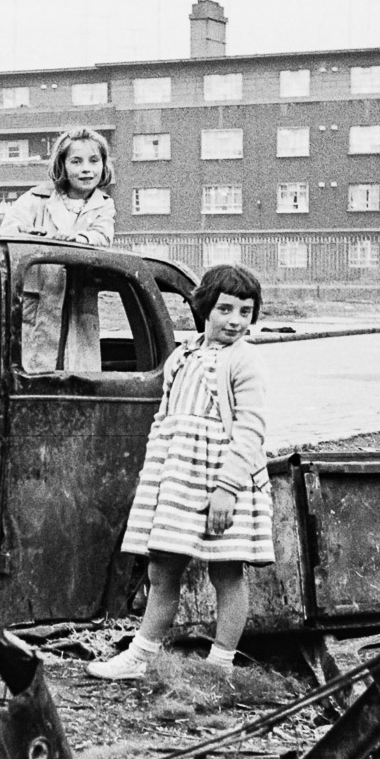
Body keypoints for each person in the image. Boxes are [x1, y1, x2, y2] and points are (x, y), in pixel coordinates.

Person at [89, 264, 271, 679]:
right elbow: (164, 418)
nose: (235, 320)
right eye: (225, 309)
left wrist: (227, 487)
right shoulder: (182, 357)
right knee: (162, 565)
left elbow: (251, 430)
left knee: (226, 569)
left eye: (245, 312)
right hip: (179, 476)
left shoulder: (244, 361)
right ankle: (141, 655)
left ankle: (220, 664)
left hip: (223, 478)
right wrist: (154, 476)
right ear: (204, 307)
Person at [2, 126, 115, 372]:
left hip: (77, 303)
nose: (86, 168)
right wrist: (26, 235)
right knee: (34, 368)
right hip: (38, 301)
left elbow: (103, 235)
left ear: (104, 165)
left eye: (94, 160)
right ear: (62, 165)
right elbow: (8, 231)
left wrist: (79, 240)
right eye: (76, 161)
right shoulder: (37, 199)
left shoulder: (103, 205)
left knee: (77, 373)